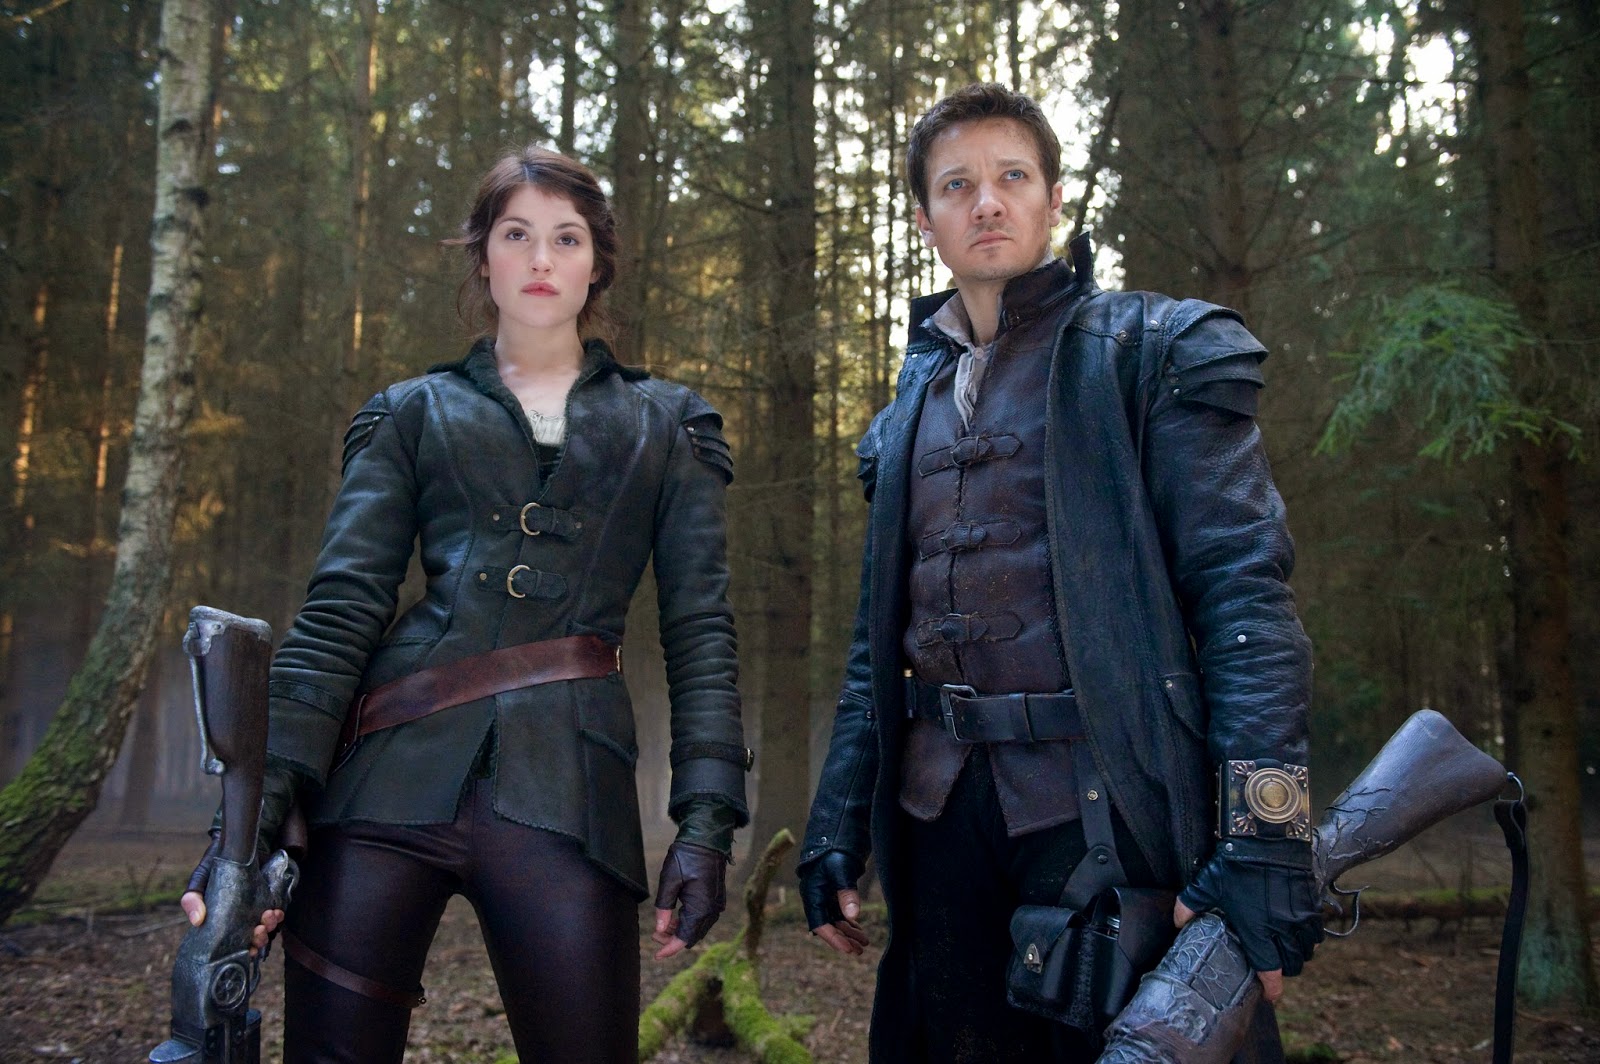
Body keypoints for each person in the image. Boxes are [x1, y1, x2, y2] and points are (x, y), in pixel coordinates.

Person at [180, 145, 750, 1064]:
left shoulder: (667, 425)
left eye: (565, 238)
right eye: (515, 235)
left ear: (597, 263)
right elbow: (341, 610)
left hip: (570, 793)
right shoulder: (413, 412)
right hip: (384, 782)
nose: (539, 259)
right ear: (482, 256)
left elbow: (700, 633)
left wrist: (708, 819)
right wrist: (247, 817)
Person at [796, 84, 1324, 1063]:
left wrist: (1265, 834)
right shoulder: (905, 414)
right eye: (957, 185)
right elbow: (879, 649)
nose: (986, 202)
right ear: (926, 220)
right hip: (938, 823)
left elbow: (1244, 595)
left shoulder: (1152, 351)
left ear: (1053, 200)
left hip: (1108, 810)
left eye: (1011, 177)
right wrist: (836, 819)